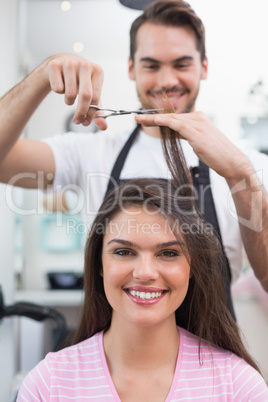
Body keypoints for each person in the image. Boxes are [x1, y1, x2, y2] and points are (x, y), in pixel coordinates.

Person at [0, 0, 267, 302]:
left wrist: (241, 176)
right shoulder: (90, 152)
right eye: (151, 65)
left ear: (203, 67)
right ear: (131, 68)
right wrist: (40, 77)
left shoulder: (248, 165)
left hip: (211, 349)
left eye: (181, 64)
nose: (167, 81)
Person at [17, 178, 268, 401]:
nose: (145, 272)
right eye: (124, 252)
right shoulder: (48, 385)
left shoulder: (239, 387)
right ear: (99, 264)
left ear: (193, 268)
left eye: (168, 253)